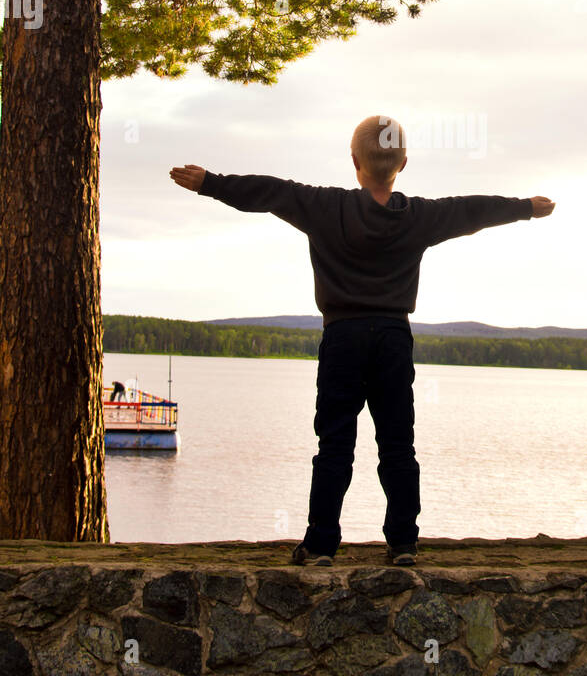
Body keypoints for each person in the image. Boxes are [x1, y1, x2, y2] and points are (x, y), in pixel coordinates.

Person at [169, 116, 555, 567]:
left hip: (343, 338)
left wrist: (211, 183)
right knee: (397, 444)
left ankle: (320, 545)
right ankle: (404, 543)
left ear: (354, 161)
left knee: (334, 444)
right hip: (392, 340)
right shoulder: (420, 216)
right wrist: (525, 206)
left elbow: (270, 192)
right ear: (403, 164)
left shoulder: (324, 207)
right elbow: (471, 210)